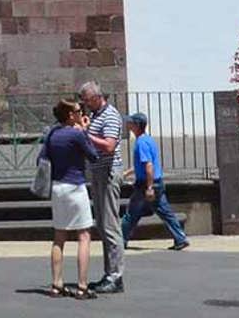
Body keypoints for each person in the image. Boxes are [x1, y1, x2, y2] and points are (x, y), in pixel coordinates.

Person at [40, 99, 99, 297]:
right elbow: (93, 155)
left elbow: (41, 159)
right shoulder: (76, 134)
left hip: (57, 187)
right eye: (77, 110)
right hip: (75, 186)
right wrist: (84, 131)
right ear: (70, 115)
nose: (81, 113)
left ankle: (56, 283)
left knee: (59, 236)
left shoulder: (51, 134)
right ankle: (82, 285)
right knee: (84, 235)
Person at [79, 81, 125, 295]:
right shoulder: (98, 115)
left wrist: (86, 134)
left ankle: (115, 276)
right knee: (103, 225)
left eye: (87, 100)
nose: (85, 105)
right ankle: (109, 273)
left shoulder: (111, 115)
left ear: (97, 97)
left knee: (110, 225)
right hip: (98, 173)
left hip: (108, 173)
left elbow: (109, 145)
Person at [120, 112, 190, 251]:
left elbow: (148, 166)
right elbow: (144, 163)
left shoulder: (141, 143)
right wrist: (128, 173)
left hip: (145, 184)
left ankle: (120, 240)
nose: (128, 125)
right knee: (165, 212)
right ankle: (180, 238)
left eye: (131, 123)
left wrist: (149, 187)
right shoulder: (148, 140)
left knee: (131, 214)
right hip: (156, 182)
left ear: (137, 125)